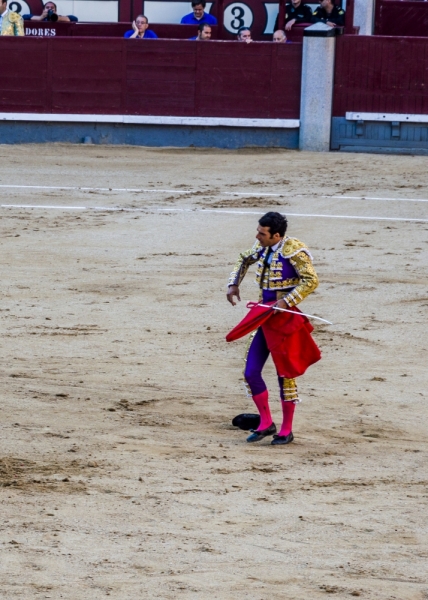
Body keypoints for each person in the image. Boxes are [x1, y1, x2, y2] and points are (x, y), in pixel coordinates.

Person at [227, 212, 319, 446]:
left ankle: (286, 430)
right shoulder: (263, 247)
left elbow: (311, 280)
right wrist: (233, 284)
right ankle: (266, 423)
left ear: (276, 235)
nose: (257, 236)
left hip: (285, 319)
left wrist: (285, 302)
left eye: (262, 233)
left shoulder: (294, 250)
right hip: (264, 316)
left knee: (285, 375)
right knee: (250, 372)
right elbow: (244, 258)